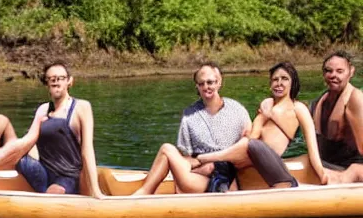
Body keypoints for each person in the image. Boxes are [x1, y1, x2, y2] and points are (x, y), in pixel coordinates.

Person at [0, 61, 105, 198]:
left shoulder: (81, 107)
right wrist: (14, 156)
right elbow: (29, 141)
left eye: (60, 78)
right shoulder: (43, 109)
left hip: (65, 177)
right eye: (51, 78)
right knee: (1, 120)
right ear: (46, 83)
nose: (56, 81)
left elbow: (87, 150)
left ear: (70, 81)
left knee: (52, 195)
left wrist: (96, 191)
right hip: (40, 172)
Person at [196, 62, 327, 187]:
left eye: (284, 79)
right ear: (270, 84)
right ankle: (201, 166)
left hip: (269, 158)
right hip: (253, 153)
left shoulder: (298, 108)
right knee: (216, 164)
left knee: (246, 145)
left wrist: (320, 172)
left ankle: (207, 157)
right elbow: (253, 136)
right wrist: (264, 115)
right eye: (275, 79)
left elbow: (311, 143)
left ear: (293, 83)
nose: (279, 83)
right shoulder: (266, 105)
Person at [132, 62, 252, 195]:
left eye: (210, 82)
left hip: (227, 178)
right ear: (197, 87)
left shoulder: (237, 110)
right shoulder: (190, 114)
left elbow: (248, 145)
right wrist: (201, 165)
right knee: (168, 151)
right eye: (201, 84)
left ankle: (143, 194)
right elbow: (187, 158)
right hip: (198, 176)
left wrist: (216, 164)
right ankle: (145, 194)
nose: (206, 87)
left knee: (166, 149)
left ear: (219, 82)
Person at [310, 50, 363, 183]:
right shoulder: (317, 102)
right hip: (326, 165)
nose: (333, 75)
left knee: (354, 171)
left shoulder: (354, 99)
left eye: (340, 71)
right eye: (329, 71)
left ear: (351, 72)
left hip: (351, 169)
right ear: (323, 74)